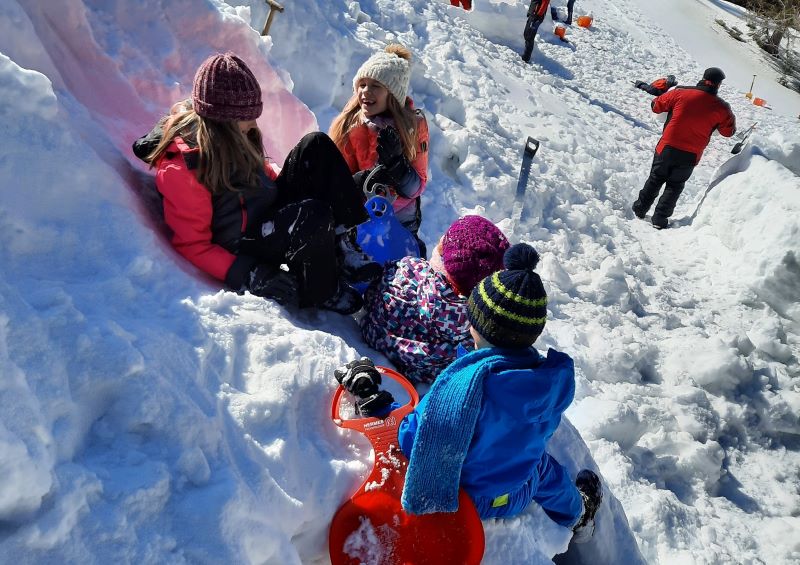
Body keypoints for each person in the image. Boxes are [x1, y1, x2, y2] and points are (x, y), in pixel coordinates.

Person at [334, 243, 604, 543]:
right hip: (514, 492)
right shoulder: (550, 382)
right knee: (542, 467)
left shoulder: (462, 390)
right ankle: (578, 513)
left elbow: (414, 438)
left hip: (463, 496)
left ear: (477, 326)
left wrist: (381, 404)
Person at [132, 52, 381, 314]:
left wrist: (303, 182)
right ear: (221, 119)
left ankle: (343, 245)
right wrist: (249, 273)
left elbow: (260, 172)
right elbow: (194, 245)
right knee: (312, 215)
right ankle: (322, 290)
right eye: (246, 117)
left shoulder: (233, 135)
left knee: (315, 145)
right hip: (242, 242)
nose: (253, 124)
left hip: (261, 210)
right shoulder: (183, 169)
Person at [360, 215, 510, 384]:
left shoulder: (407, 270)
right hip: (420, 373)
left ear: (442, 257)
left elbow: (371, 294)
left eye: (443, 242)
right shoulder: (474, 331)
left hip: (373, 333)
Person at [330, 44, 430, 256]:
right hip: (361, 216)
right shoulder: (351, 125)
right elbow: (339, 180)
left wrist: (397, 166)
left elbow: (416, 187)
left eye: (376, 85)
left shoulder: (414, 126)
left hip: (400, 219)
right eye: (362, 84)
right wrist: (360, 183)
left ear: (392, 94)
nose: (365, 91)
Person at [632, 67, 736, 229]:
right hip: (691, 154)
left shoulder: (681, 92)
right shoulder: (722, 107)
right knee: (675, 185)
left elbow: (656, 106)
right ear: (719, 85)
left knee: (655, 178)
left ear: (703, 78)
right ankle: (660, 220)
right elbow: (728, 132)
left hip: (667, 145)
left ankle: (639, 209)